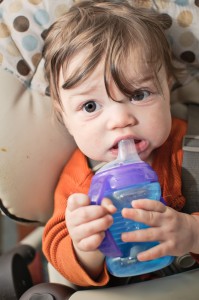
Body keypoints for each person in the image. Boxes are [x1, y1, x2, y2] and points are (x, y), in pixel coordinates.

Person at [42, 0, 199, 288]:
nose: (120, 120)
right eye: (90, 106)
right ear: (64, 118)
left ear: (168, 86)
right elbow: (57, 252)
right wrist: (84, 246)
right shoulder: (81, 181)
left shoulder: (192, 148)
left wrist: (192, 232)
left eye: (139, 95)